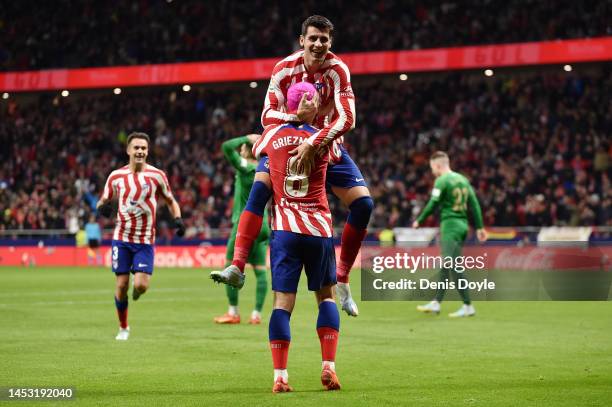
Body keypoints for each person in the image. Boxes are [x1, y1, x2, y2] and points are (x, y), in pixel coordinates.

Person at [217, 15, 373, 317]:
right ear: (302, 40)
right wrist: (298, 121)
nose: (318, 44)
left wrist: (314, 141)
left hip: (325, 144)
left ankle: (342, 277)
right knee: (258, 192)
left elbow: (347, 118)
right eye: (312, 38)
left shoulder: (338, 70)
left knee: (364, 204)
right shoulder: (283, 69)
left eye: (324, 39)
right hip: (284, 142)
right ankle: (237, 265)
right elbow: (267, 117)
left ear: (330, 42)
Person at [212, 83, 342, 392]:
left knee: (282, 304)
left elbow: (257, 152)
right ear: (307, 104)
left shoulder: (271, 136)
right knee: (326, 297)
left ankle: (280, 377)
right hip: (318, 229)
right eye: (314, 97)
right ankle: (329, 368)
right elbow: (338, 157)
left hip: (285, 231)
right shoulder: (324, 138)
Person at [97, 132, 185, 340]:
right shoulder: (116, 176)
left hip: (145, 240)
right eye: (136, 148)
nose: (140, 151)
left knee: (141, 285)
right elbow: (103, 200)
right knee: (121, 285)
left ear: (147, 151)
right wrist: (103, 209)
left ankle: (137, 292)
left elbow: (171, 200)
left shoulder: (156, 176)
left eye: (143, 148)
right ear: (128, 150)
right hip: (122, 238)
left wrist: (178, 219)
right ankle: (124, 327)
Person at [413, 151, 488, 317]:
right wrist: (480, 227)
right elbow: (474, 204)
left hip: (450, 225)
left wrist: (420, 220)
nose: (433, 172)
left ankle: (453, 304)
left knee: (449, 264)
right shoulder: (463, 180)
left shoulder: (442, 180)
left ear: (438, 165)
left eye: (432, 168)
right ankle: (446, 304)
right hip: (463, 226)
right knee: (452, 265)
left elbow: (433, 203)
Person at [214, 134, 269, 325]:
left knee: (231, 266)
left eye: (242, 149)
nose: (239, 151)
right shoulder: (265, 168)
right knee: (261, 270)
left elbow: (226, 146)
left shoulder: (245, 167)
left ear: (247, 150)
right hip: (264, 224)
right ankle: (256, 315)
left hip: (245, 224)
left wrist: (246, 137)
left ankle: (233, 312)